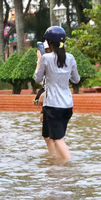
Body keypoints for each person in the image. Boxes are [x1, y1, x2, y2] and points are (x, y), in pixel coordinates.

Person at [34, 26, 80, 161]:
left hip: (53, 105)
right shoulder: (70, 58)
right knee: (56, 138)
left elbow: (37, 78)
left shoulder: (46, 58)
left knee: (57, 139)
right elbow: (76, 79)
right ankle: (57, 165)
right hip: (67, 105)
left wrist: (39, 60)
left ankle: (68, 166)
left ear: (48, 42)